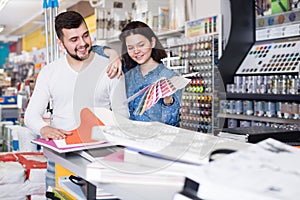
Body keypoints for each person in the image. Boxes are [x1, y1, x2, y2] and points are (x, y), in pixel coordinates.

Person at [24, 11, 129, 188]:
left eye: (85, 35)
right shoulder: (50, 72)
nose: (83, 43)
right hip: (59, 160)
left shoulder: (110, 70)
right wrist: (44, 128)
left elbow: (123, 118)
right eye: (74, 40)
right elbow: (31, 115)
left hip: (99, 159)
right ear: (61, 43)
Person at [119, 21, 182, 126]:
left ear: (152, 42)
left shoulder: (170, 77)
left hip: (157, 139)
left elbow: (172, 124)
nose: (136, 51)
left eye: (141, 45)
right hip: (129, 138)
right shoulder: (127, 76)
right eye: (131, 48)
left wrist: (168, 100)